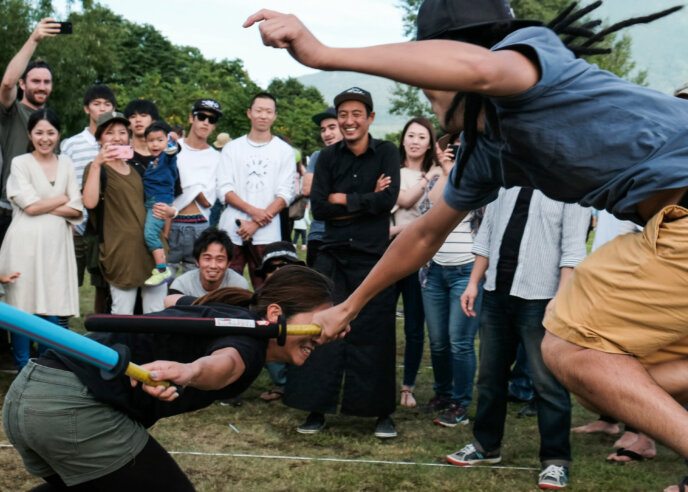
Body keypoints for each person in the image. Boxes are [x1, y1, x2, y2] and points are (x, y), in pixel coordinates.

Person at [245, 2, 688, 489]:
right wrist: (347, 307)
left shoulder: (534, 59)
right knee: (609, 381)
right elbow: (423, 234)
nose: (427, 96)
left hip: (678, 220)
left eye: (429, 78)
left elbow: (480, 67)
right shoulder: (487, 153)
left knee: (567, 350)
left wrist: (324, 54)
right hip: (668, 230)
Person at [2, 265, 334, 491]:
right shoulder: (249, 342)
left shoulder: (229, 313)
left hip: (28, 394)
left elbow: (172, 300)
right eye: (317, 324)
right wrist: (190, 371)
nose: (322, 336)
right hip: (70, 407)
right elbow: (224, 365)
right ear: (276, 315)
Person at [449, 187, 589, 485]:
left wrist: (560, 299)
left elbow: (574, 249)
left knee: (547, 384)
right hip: (496, 292)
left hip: (542, 297)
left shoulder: (570, 187)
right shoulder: (505, 183)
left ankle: (555, 459)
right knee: (489, 378)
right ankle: (486, 446)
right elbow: (485, 235)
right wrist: (473, 282)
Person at [284, 87, 400, 438]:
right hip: (332, 256)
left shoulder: (387, 153)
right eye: (343, 114)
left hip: (373, 259)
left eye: (356, 114)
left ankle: (380, 412)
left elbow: (388, 201)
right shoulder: (328, 157)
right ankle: (315, 408)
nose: (349, 121)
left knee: (375, 333)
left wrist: (343, 200)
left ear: (370, 118)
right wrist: (365, 200)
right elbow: (319, 207)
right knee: (321, 329)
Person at [0, 108, 83, 370]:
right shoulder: (20, 163)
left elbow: (77, 208)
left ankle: (47, 366)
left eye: (50, 132)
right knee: (24, 306)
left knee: (53, 304)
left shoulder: (67, 163)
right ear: (29, 134)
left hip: (57, 246)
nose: (45, 138)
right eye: (39, 132)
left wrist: (45, 203)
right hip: (24, 245)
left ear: (58, 135)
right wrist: (61, 199)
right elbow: (30, 206)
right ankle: (24, 367)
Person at [82, 112, 174, 315]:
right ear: (99, 139)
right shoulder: (96, 168)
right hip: (121, 254)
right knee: (122, 314)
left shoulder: (139, 168)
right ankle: (120, 349)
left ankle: (151, 348)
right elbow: (89, 202)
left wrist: (170, 212)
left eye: (122, 132)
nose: (117, 137)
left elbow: (158, 200)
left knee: (156, 313)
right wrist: (97, 163)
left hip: (151, 252)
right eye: (109, 133)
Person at [217, 92, 295, 289]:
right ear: (249, 113)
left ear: (275, 116)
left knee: (267, 289)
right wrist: (254, 213)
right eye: (259, 110)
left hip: (268, 233)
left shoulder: (284, 150)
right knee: (226, 287)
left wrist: (255, 223)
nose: (263, 115)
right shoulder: (232, 148)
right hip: (233, 228)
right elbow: (225, 189)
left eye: (268, 111)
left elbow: (286, 193)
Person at [391, 117, 442, 408]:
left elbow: (432, 218)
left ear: (429, 143)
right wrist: (427, 177)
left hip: (420, 257)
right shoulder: (391, 171)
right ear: (403, 139)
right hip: (390, 252)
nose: (414, 141)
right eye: (410, 135)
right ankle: (381, 377)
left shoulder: (439, 176)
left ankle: (407, 386)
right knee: (382, 320)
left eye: (421, 137)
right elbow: (405, 201)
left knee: (414, 326)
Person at [60, 85, 117, 290]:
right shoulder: (72, 144)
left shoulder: (119, 144)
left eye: (107, 104)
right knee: (68, 283)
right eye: (96, 104)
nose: (102, 109)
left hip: (106, 227)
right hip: (76, 224)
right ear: (87, 109)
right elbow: (63, 183)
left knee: (104, 287)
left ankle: (101, 323)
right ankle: (62, 323)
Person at [169, 99, 222, 275]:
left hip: (200, 225)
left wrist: (194, 191)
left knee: (193, 283)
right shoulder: (173, 149)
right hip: (170, 222)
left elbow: (210, 200)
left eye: (212, 120)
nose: (206, 122)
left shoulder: (216, 158)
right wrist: (196, 190)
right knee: (163, 280)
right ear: (192, 118)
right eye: (202, 117)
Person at [253, 240, 306, 402]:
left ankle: (302, 384)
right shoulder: (259, 297)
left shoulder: (310, 291)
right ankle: (282, 385)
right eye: (271, 268)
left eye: (283, 266)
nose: (277, 271)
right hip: (277, 343)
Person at [165, 227, 248, 306]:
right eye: (207, 258)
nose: (213, 266)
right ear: (197, 261)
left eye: (220, 260)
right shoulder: (182, 285)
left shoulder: (238, 286)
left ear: (228, 263)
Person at [140, 121, 179, 287]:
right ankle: (161, 269)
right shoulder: (153, 161)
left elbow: (171, 152)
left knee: (150, 234)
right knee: (150, 233)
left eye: (160, 140)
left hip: (160, 202)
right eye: (151, 140)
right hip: (152, 202)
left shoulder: (166, 157)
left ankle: (162, 270)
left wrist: (172, 142)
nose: (155, 144)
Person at [302, 107, 343, 267]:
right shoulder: (317, 156)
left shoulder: (359, 157)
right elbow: (307, 189)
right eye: (323, 129)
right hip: (319, 235)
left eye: (332, 127)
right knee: (316, 289)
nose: (327, 134)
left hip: (348, 237)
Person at [123, 99, 160, 174]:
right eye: (133, 117)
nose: (138, 120)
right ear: (128, 124)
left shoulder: (163, 155)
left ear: (153, 121)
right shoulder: (123, 154)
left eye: (143, 116)